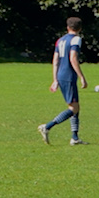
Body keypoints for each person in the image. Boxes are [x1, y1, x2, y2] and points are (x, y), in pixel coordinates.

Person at [38, 16, 85, 145]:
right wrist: (81, 77)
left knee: (75, 106)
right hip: (69, 76)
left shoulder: (60, 40)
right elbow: (73, 58)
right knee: (73, 108)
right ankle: (47, 126)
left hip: (61, 75)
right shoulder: (76, 39)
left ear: (67, 27)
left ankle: (75, 137)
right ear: (80, 28)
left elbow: (55, 60)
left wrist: (55, 79)